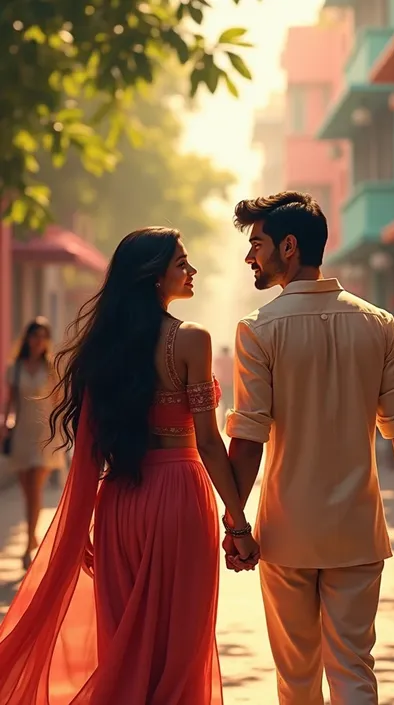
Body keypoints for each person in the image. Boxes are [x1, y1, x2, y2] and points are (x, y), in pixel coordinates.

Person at [0, 227, 259, 705]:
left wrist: (83, 523)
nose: (192, 270)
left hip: (120, 503)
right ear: (153, 276)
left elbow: (91, 452)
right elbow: (207, 440)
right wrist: (238, 519)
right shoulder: (191, 340)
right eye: (182, 263)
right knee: (180, 652)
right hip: (180, 497)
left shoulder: (103, 347)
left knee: (123, 647)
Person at [223, 192, 394, 705]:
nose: (250, 256)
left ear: (289, 246)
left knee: (296, 678)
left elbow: (248, 438)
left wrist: (237, 524)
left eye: (256, 243)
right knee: (354, 671)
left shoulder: (258, 330)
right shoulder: (378, 322)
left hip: (287, 532)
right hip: (356, 531)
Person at [0, 317, 65, 570]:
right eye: (34, 336)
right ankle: (32, 533)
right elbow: (11, 401)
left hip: (45, 434)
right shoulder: (14, 368)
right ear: (27, 338)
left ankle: (28, 544)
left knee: (35, 489)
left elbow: (60, 400)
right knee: (27, 491)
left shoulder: (51, 367)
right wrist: (5, 426)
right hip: (23, 433)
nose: (38, 341)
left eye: (43, 336)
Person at [214, 346, 234, 426]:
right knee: (230, 405)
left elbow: (216, 371)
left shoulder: (219, 360)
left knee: (223, 406)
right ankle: (229, 424)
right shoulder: (232, 360)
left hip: (222, 385)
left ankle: (222, 424)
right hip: (230, 385)